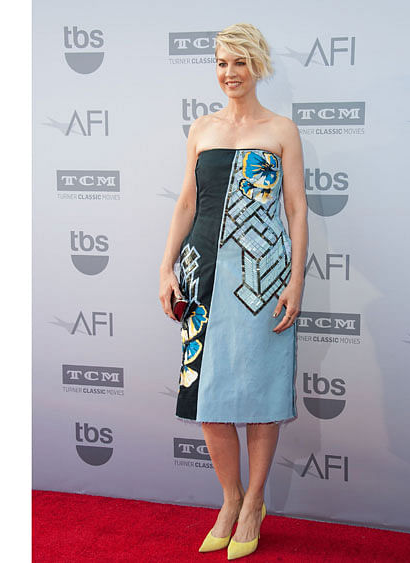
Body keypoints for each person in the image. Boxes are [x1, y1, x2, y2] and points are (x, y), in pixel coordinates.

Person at [158, 22, 308, 560]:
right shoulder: (201, 128)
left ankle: (255, 500)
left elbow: (295, 209)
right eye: (222, 63)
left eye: (239, 62)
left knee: (262, 393)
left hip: (260, 277)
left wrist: (295, 280)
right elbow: (185, 204)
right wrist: (166, 267)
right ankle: (229, 499)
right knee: (208, 395)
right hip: (201, 276)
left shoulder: (281, 129)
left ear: (257, 65)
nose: (230, 73)